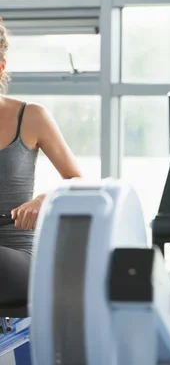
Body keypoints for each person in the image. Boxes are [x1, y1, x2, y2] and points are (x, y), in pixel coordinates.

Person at [0, 17, 82, 304]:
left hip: (20, 260)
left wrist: (44, 200)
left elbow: (78, 180)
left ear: (1, 67)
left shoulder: (31, 117)